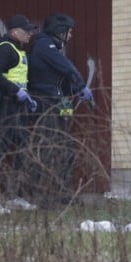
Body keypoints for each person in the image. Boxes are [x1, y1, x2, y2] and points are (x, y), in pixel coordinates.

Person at [27, 13, 94, 206]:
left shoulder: (50, 47)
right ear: (60, 31)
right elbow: (66, 67)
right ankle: (42, 196)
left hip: (54, 102)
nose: (71, 36)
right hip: (45, 103)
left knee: (66, 150)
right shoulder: (44, 46)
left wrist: (75, 90)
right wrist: (81, 85)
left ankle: (63, 193)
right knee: (48, 149)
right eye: (69, 32)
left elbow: (57, 80)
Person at [0, 14, 39, 214]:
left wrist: (27, 97)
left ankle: (15, 197)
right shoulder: (6, 48)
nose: (30, 33)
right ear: (15, 31)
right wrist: (16, 91)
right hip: (6, 107)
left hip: (18, 108)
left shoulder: (18, 49)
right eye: (26, 30)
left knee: (22, 153)